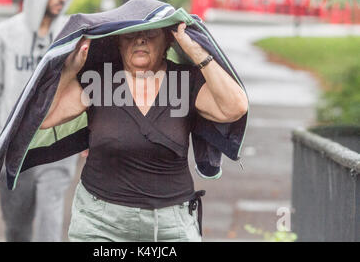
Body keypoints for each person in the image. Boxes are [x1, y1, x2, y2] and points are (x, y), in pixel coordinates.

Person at [40, 22, 248, 241]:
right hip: (100, 223)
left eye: (150, 33)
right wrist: (69, 71)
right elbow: (44, 119)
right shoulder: (99, 79)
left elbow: (235, 108)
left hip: (170, 225)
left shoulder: (185, 80)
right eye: (130, 35)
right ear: (118, 42)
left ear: (168, 40)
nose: (140, 40)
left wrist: (198, 53)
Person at [0, 0, 78, 242]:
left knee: (50, 223)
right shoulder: (4, 34)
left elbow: (83, 85)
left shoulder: (71, 34)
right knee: (17, 227)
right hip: (13, 150)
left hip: (56, 146)